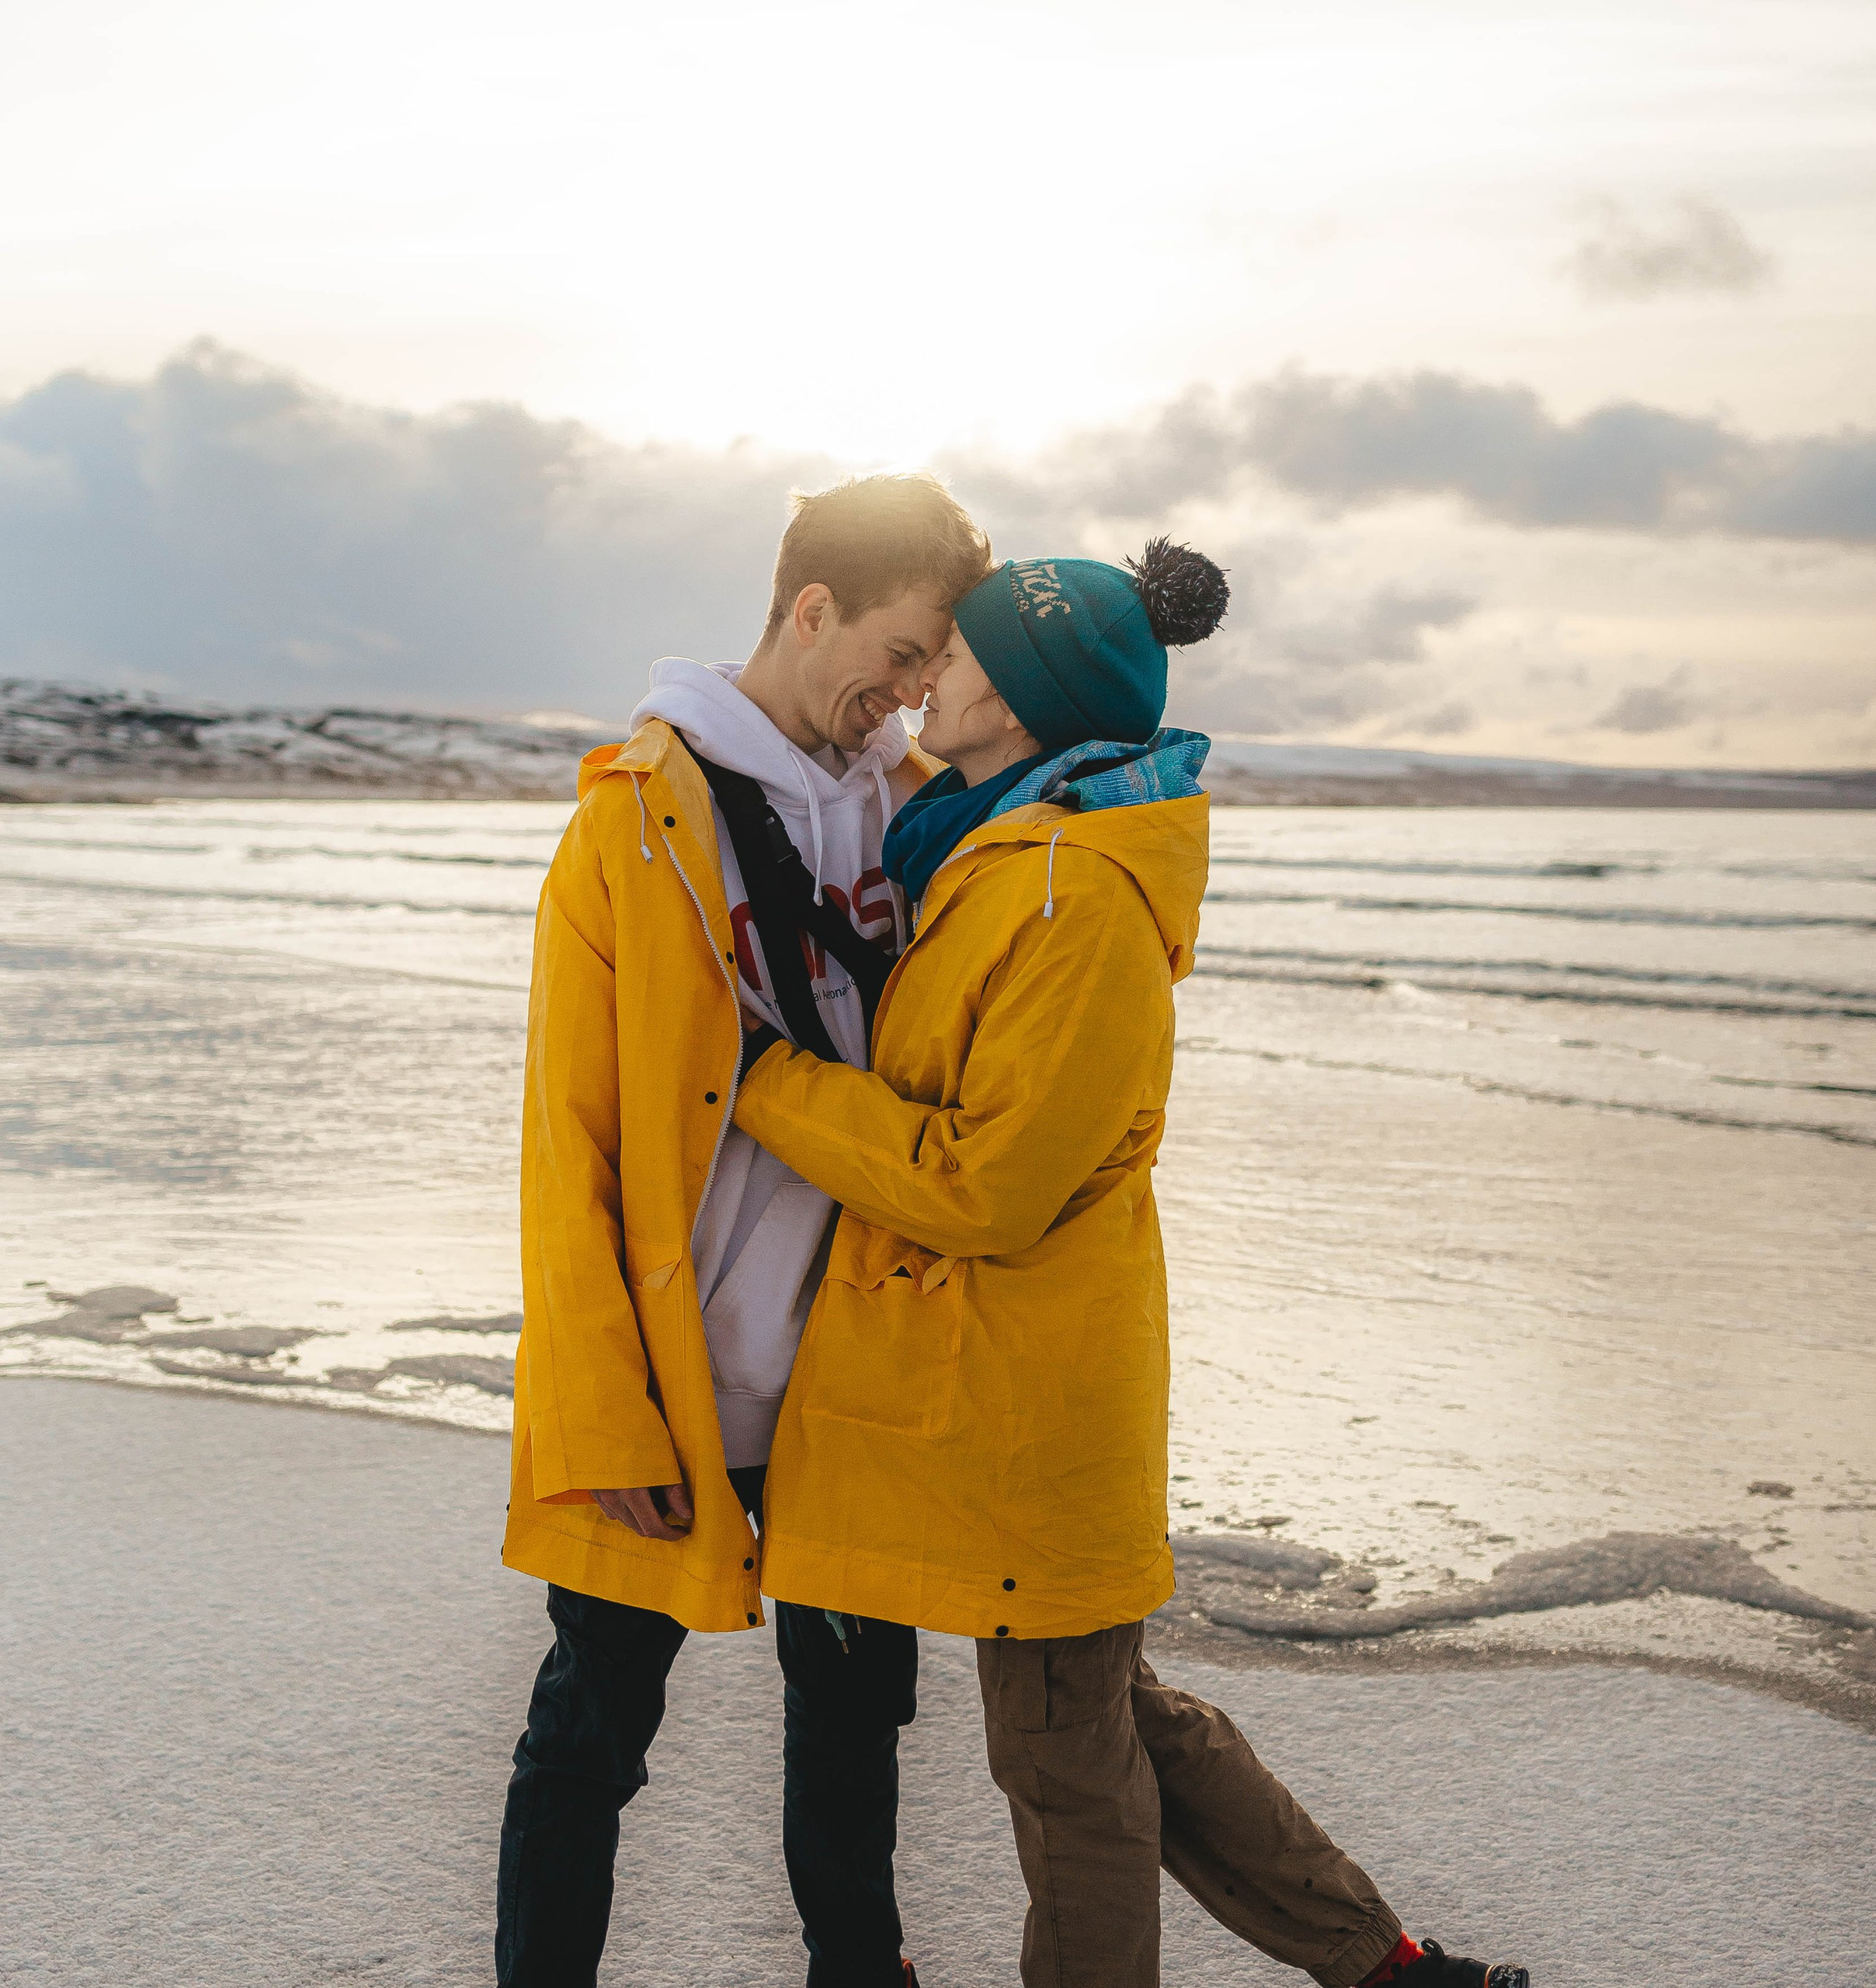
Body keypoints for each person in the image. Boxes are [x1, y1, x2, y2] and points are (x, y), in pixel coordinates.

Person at [730, 544, 1532, 1988]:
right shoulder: (986, 841)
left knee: (1065, 1760)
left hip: (1027, 1390)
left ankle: (1383, 1969)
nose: (928, 678)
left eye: (957, 658)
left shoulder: (1073, 899)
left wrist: (771, 1084)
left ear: (1022, 708)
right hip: (970, 1377)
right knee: (1103, 1717)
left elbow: (992, 1182)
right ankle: (1387, 1969)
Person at [495, 472, 992, 1988]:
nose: (909, 693)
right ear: (809, 606)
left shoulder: (918, 813)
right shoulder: (635, 823)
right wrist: (607, 1413)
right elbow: (565, 1153)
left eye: (932, 669)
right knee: (592, 1724)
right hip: (678, 1364)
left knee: (856, 1731)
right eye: (900, 652)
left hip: (853, 1361)